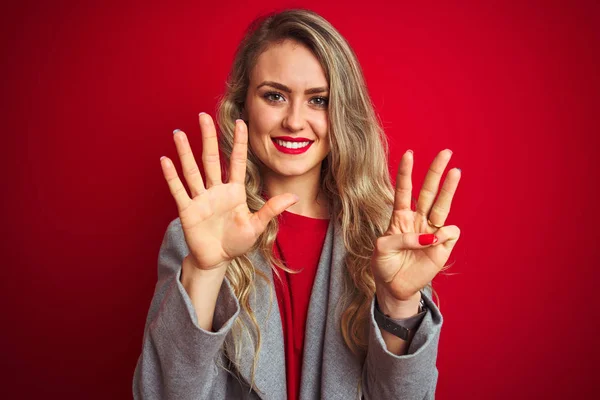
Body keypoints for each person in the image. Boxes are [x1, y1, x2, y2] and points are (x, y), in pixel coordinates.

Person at [133, 8, 461, 400]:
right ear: (243, 107)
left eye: (318, 100)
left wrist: (399, 302)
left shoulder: (383, 240)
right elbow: (162, 394)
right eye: (275, 96)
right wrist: (206, 270)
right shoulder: (195, 238)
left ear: (342, 112)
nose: (293, 120)